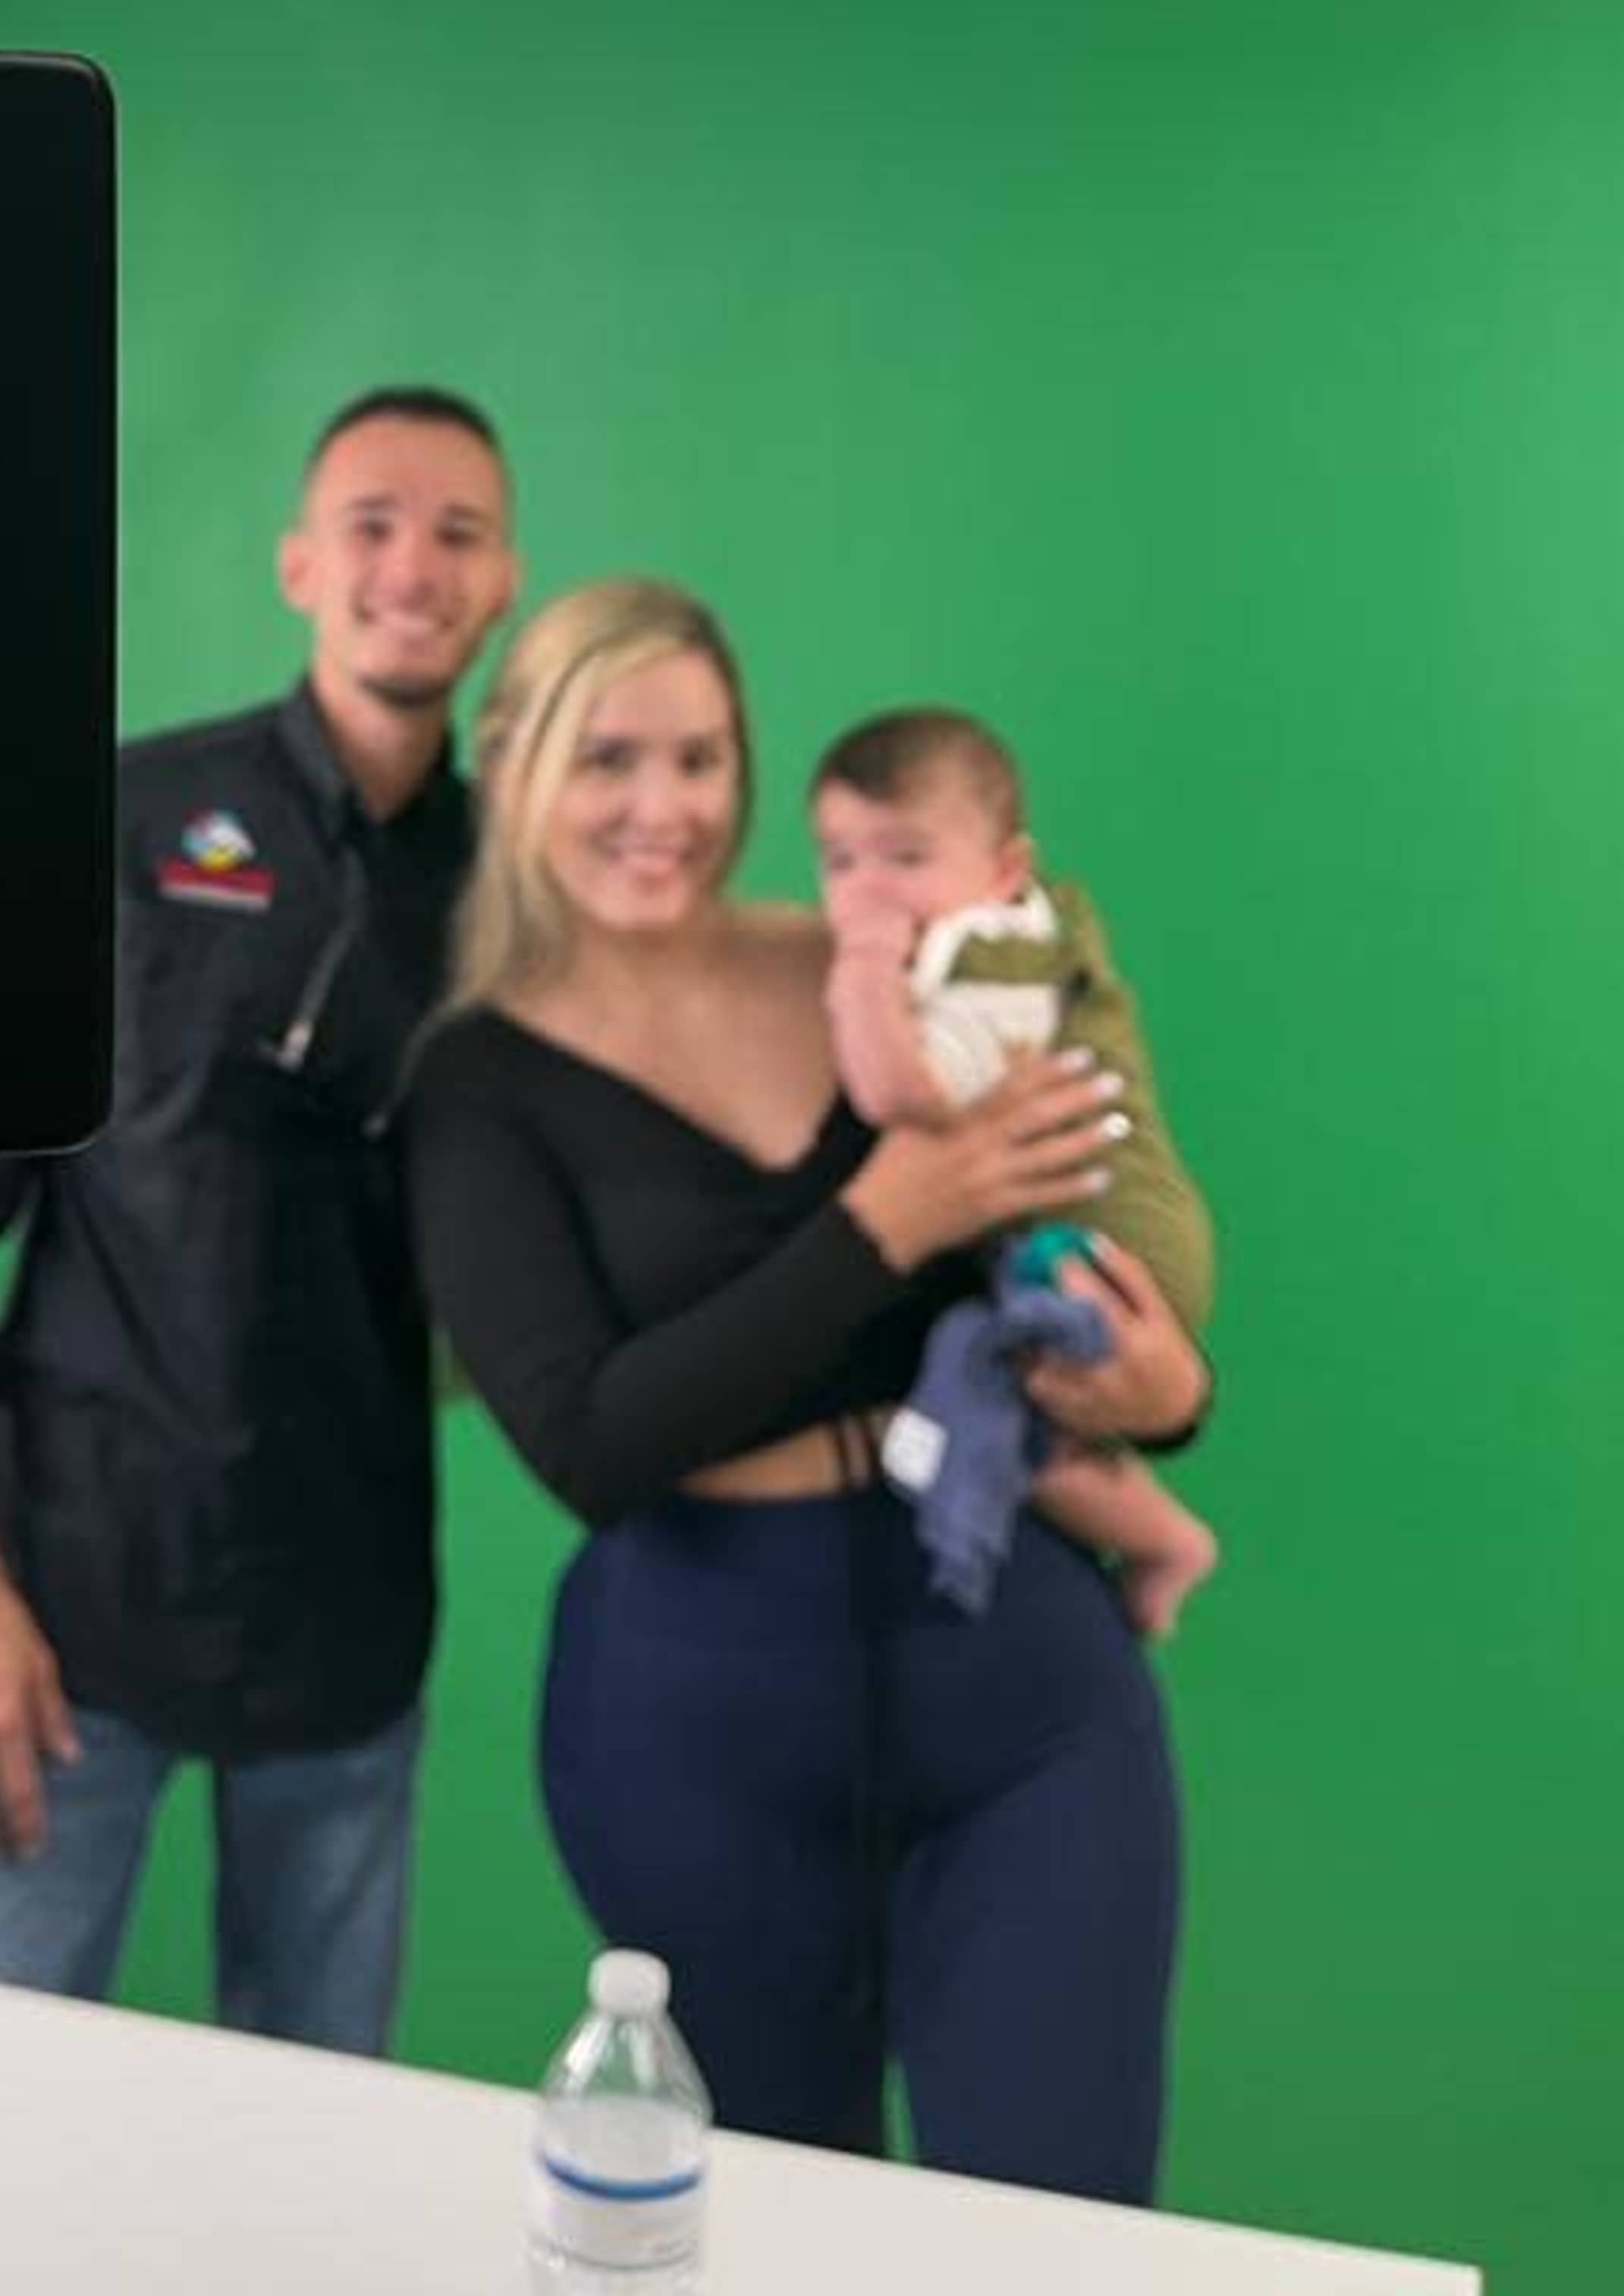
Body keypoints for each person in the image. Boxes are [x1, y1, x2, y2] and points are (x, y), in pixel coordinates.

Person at [401, 580, 1206, 2199]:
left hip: (1021, 1694)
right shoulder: (474, 1082)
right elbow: (591, 1439)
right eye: (610, 757)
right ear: (518, 763)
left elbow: (1087, 1208)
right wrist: (882, 1218)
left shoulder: (886, 964)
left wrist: (1166, 1386)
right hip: (693, 1728)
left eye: (702, 759)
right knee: (783, 2232)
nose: (662, 808)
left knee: (1070, 2237)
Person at [0, 386, 519, 2051]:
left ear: (504, 576)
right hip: (58, 1608)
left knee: (316, 2160)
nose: (412, 565)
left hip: (348, 1635)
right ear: (302, 560)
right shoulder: (128, 819)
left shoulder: (522, 895)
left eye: (458, 532)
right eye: (373, 523)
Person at [811, 704, 1218, 1637]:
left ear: (1004, 869)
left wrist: (863, 969)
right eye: (841, 861)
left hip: (1108, 1246)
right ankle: (1162, 1536)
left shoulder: (994, 968)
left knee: (984, 1394)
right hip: (1079, 1234)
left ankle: (1164, 1540)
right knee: (1017, 1406)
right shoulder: (995, 936)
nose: (870, 890)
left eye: (905, 858)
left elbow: (896, 1094)